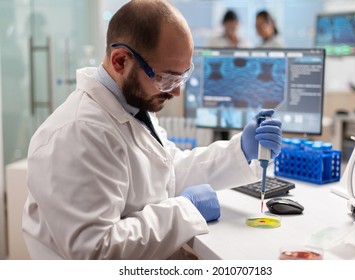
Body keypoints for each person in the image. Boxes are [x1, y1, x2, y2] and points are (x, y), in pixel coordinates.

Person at [22, 0, 282, 260]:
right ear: (121, 60)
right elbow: (95, 253)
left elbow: (167, 172)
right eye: (167, 78)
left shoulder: (130, 105)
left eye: (183, 76)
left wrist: (240, 150)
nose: (177, 91)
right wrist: (186, 210)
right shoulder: (78, 134)